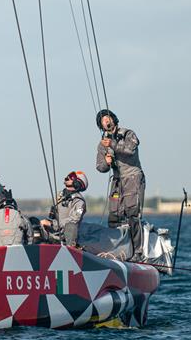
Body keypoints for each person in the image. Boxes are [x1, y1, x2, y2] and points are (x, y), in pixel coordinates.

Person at [95, 109, 146, 260]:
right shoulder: (103, 144)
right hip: (117, 180)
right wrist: (106, 162)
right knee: (115, 216)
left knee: (133, 214)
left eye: (107, 118)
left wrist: (113, 144)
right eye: (103, 121)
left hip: (133, 177)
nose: (106, 121)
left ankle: (137, 251)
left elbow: (130, 150)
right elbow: (100, 167)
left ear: (114, 119)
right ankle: (117, 250)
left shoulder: (127, 134)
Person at [41, 171, 88, 247]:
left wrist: (52, 224)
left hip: (66, 235)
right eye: (68, 175)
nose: (67, 177)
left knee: (71, 226)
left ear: (77, 183)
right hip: (54, 232)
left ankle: (71, 250)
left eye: (71, 176)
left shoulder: (79, 202)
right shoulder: (60, 195)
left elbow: (73, 220)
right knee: (35, 224)